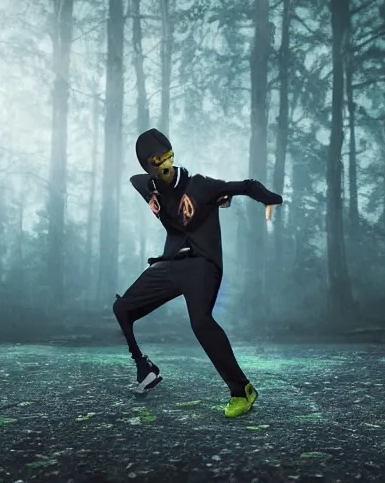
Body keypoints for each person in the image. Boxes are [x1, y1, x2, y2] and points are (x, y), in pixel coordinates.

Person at [113, 128, 282, 418]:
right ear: (149, 166)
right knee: (122, 308)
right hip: (170, 265)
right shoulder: (148, 185)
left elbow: (246, 185)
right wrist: (152, 194)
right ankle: (145, 368)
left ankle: (242, 390)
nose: (165, 165)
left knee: (200, 322)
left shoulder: (201, 186)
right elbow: (135, 179)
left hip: (203, 263)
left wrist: (270, 198)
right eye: (158, 161)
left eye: (168, 157)